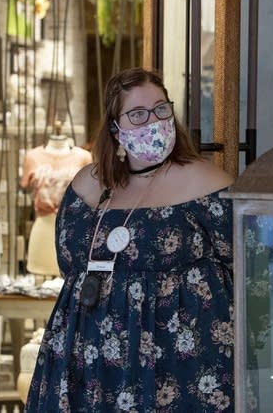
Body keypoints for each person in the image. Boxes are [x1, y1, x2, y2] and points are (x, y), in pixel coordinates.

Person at [25, 67, 235, 412]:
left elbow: (260, 264)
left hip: (177, 366)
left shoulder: (206, 183)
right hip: (87, 360)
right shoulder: (86, 186)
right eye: (137, 114)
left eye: (160, 109)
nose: (152, 121)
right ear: (115, 126)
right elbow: (69, 265)